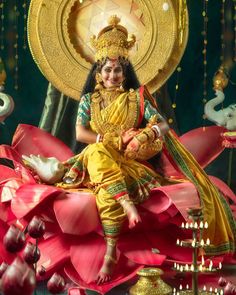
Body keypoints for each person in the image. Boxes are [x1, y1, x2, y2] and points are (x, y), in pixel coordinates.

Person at [23, 15, 235, 286]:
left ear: (125, 74)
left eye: (117, 71)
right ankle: (119, 225)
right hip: (100, 156)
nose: (112, 76)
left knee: (101, 174)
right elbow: (80, 134)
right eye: (107, 70)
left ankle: (111, 248)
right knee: (97, 153)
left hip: (130, 164)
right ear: (98, 73)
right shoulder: (90, 100)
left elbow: (163, 125)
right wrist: (110, 139)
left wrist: (143, 135)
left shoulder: (136, 99)